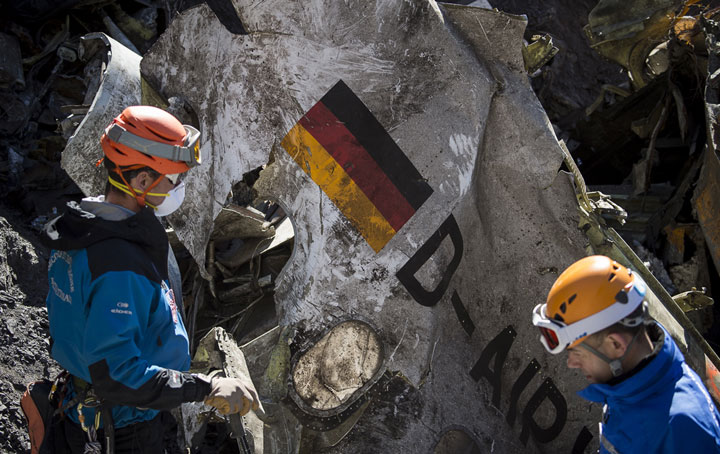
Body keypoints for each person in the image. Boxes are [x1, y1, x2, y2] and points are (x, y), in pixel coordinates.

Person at [41, 106, 260, 453]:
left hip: (88, 407)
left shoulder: (86, 227)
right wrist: (207, 387)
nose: (180, 187)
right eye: (174, 179)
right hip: (123, 431)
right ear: (142, 180)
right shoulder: (118, 266)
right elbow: (118, 375)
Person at [532, 255, 720, 453]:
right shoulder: (633, 386)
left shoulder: (682, 430)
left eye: (577, 352)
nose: (571, 363)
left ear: (615, 344)